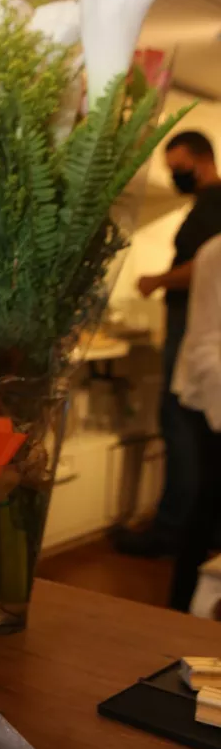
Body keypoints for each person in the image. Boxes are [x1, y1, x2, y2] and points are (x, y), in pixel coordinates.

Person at [114, 130, 221, 556]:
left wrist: (159, 280)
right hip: (192, 329)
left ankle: (173, 531)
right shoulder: (205, 205)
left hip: (194, 331)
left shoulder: (213, 204)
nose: (174, 175)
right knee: (189, 427)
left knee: (181, 424)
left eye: (178, 167)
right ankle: (193, 528)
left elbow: (205, 265)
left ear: (200, 159)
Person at [168, 234, 221, 611]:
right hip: (211, 401)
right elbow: (206, 344)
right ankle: (179, 616)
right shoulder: (216, 253)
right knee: (203, 507)